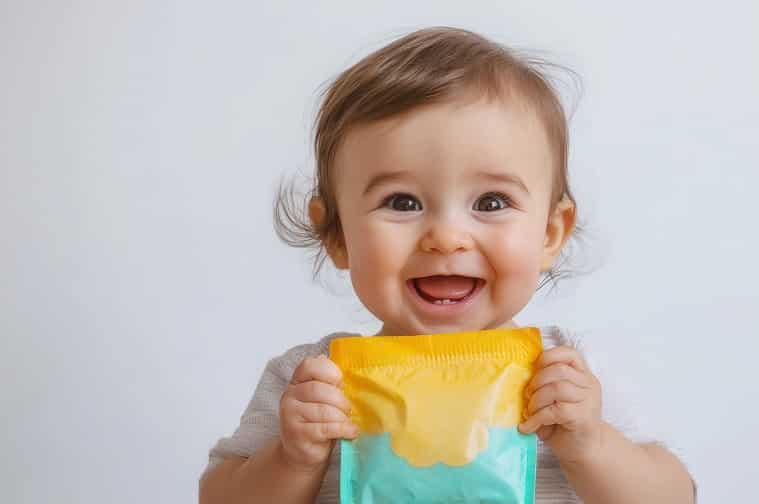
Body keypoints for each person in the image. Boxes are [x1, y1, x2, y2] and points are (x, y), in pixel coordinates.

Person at [199, 26, 696, 503]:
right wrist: (292, 459)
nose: (447, 238)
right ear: (338, 234)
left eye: (492, 202)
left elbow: (676, 495)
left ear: (550, 233)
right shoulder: (313, 382)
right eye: (402, 202)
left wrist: (592, 445)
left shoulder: (567, 372)